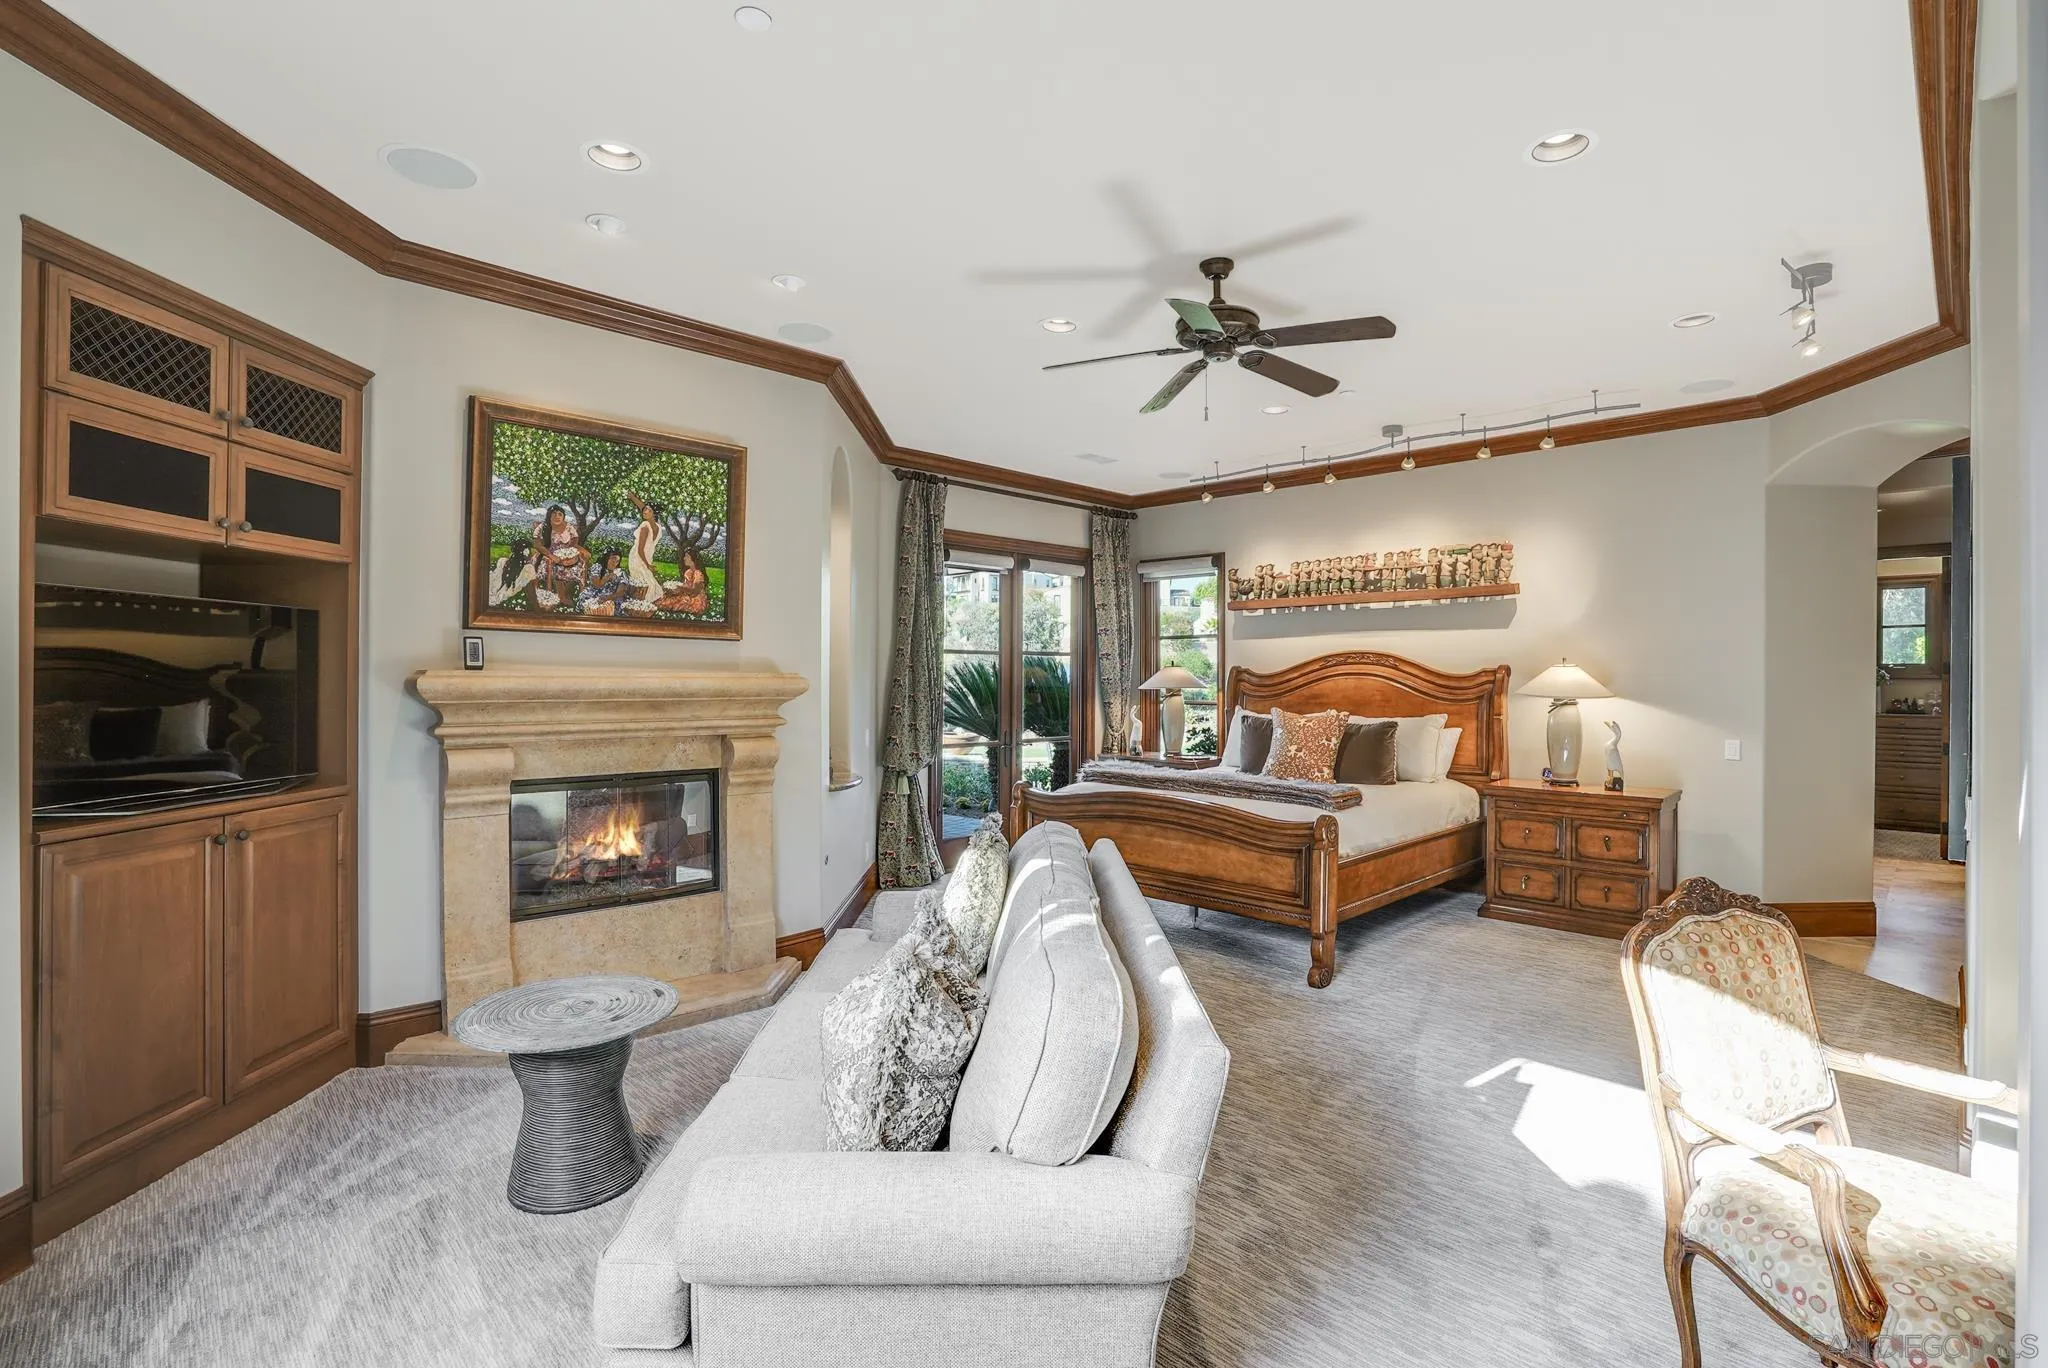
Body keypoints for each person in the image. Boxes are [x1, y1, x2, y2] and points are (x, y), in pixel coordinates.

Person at [532, 505, 589, 594]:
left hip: (565, 556)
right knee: (548, 563)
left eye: (560, 514)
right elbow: (537, 545)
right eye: (554, 514)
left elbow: (574, 542)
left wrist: (569, 553)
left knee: (580, 562)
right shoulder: (542, 527)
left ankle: (578, 593)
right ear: (549, 516)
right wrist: (551, 556)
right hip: (546, 554)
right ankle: (549, 593)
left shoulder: (569, 527)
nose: (557, 516)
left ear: (563, 516)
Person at [624, 493, 664, 607]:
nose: (644, 511)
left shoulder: (650, 526)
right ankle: (640, 606)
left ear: (654, 514)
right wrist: (632, 498)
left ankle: (642, 605)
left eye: (648, 510)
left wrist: (648, 564)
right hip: (638, 558)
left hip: (644, 558)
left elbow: (642, 549)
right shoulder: (648, 526)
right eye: (644, 509)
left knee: (648, 585)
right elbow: (640, 550)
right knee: (644, 584)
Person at [656, 548, 711, 616]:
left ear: (693, 559)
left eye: (686, 556)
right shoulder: (688, 572)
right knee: (664, 597)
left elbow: (695, 591)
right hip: (687, 594)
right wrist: (676, 590)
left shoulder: (698, 573)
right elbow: (686, 586)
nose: (684, 558)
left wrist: (680, 588)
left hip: (695, 599)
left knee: (672, 602)